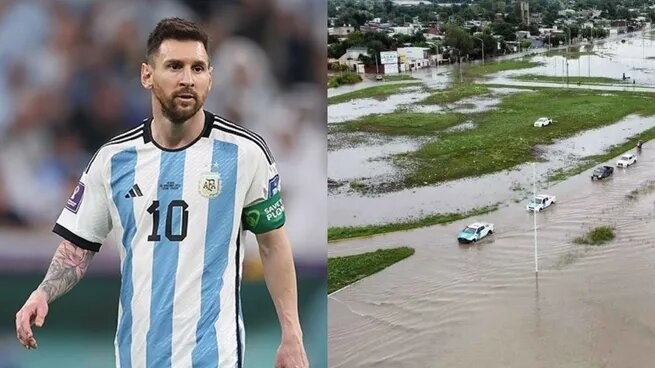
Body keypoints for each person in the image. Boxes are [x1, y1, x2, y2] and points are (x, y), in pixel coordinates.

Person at [15, 17, 308, 368]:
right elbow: (78, 245)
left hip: (215, 357)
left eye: (198, 68)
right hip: (136, 357)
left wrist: (292, 335)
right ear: (147, 75)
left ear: (210, 79)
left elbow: (273, 243)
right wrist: (43, 292)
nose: (188, 79)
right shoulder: (113, 160)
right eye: (175, 66)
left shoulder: (245, 153)